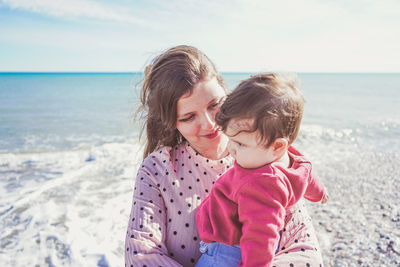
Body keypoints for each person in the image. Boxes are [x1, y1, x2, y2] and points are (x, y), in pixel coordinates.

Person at [125, 45, 325, 267]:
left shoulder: (267, 157)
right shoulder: (156, 170)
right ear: (172, 123)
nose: (210, 124)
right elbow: (139, 256)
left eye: (215, 105)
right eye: (189, 117)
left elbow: (306, 251)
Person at [195, 73, 329, 267]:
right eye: (230, 138)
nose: (231, 148)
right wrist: (320, 194)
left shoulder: (260, 185)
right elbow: (308, 178)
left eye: (240, 144)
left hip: (228, 250)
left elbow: (260, 236)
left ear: (277, 146)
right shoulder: (294, 159)